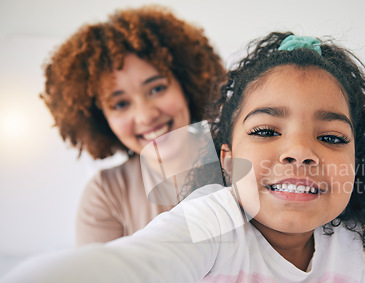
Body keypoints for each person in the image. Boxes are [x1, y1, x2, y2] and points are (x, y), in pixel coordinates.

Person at [0, 32, 365, 283]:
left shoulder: (345, 239)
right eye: (267, 131)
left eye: (331, 138)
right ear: (227, 162)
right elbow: (134, 272)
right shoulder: (213, 215)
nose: (300, 151)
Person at [41, 5, 226, 245]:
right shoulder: (106, 194)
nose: (145, 116)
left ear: (186, 86)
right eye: (120, 104)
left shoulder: (245, 159)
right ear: (100, 118)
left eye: (157, 88)